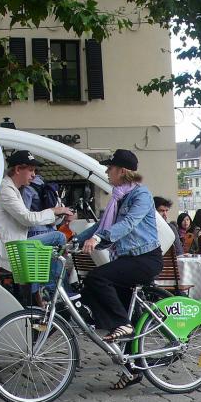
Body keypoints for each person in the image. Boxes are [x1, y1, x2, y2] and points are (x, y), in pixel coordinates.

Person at [75, 149, 162, 389]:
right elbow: (100, 226)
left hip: (144, 258)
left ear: (122, 172)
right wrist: (72, 239)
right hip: (127, 259)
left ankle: (120, 324)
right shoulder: (118, 197)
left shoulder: (140, 195)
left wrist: (99, 240)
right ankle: (132, 368)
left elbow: (128, 223)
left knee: (97, 279)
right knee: (100, 294)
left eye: (109, 168)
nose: (106, 171)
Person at [0, 150, 73, 295]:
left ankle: (45, 291)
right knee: (58, 237)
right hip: (8, 249)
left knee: (51, 239)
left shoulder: (12, 189)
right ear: (17, 169)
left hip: (13, 244)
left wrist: (57, 214)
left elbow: (27, 219)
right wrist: (55, 210)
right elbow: (27, 219)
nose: (34, 175)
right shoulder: (5, 190)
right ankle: (54, 290)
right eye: (30, 170)